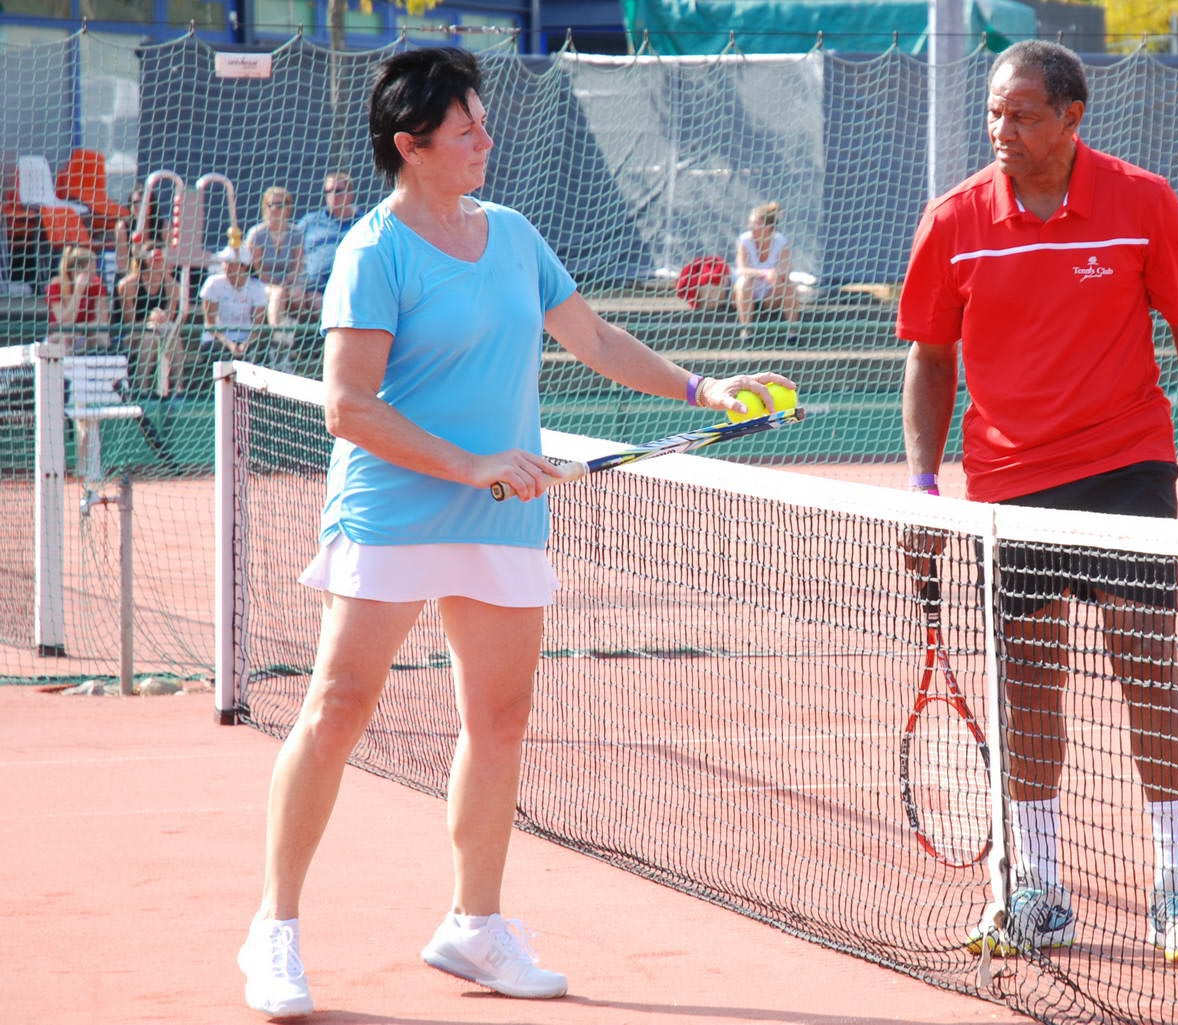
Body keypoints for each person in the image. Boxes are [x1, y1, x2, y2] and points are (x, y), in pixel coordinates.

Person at [235, 47, 794, 1019]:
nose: (485, 141)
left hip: (503, 514)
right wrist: (471, 464)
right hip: (397, 508)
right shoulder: (373, 252)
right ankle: (273, 929)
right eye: (466, 131)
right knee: (337, 708)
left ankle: (475, 924)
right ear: (412, 146)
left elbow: (596, 339)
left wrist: (706, 388)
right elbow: (348, 407)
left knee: (498, 719)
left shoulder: (514, 235)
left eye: (484, 124)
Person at [898, 40, 1178, 966]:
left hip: (1124, 464)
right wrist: (922, 486)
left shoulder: (1142, 202)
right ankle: (1036, 885)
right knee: (1030, 685)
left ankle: (1177, 884)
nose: (1002, 129)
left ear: (1072, 117)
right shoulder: (953, 219)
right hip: (1008, 485)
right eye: (995, 112)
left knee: (1146, 664)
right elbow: (931, 358)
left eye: (1023, 114)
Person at [116, 244, 184, 397]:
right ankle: (142, 388)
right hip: (134, 333)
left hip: (161, 330)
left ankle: (178, 387)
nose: (158, 263)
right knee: (150, 338)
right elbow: (129, 321)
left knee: (173, 336)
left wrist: (160, 318)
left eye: (160, 260)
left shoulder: (172, 286)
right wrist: (150, 320)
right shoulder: (129, 285)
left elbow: (170, 316)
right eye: (154, 260)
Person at [248, 185, 307, 357]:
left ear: (288, 208)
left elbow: (297, 266)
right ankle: (278, 339)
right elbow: (255, 269)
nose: (274, 209)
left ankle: (301, 344)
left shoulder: (296, 233)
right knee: (278, 294)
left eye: (279, 205)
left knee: (298, 297)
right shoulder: (257, 234)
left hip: (288, 282)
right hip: (261, 283)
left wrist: (288, 282)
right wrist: (276, 284)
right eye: (270, 205)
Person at [732, 201, 800, 342]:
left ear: (768, 227)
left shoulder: (781, 242)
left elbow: (786, 269)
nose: (750, 227)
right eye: (750, 223)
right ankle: (746, 330)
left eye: (755, 224)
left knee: (790, 286)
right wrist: (765, 273)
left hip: (771, 295)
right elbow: (741, 268)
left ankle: (792, 333)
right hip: (749, 293)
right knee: (743, 283)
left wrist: (776, 275)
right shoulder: (744, 240)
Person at [199, 240, 269, 362]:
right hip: (218, 340)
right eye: (226, 263)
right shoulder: (213, 284)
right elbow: (210, 324)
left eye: (232, 263)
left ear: (244, 266)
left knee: (258, 353)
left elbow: (258, 325)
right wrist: (229, 344)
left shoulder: (257, 286)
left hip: (246, 340)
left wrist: (245, 344)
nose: (227, 267)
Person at [295, 169, 359, 297]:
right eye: (328, 191)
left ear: (350, 194)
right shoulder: (310, 221)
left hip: (353, 286)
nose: (333, 195)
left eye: (338, 191)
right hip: (315, 287)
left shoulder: (364, 223)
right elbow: (290, 245)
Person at [44, 245, 110, 352]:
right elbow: (64, 322)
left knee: (103, 337)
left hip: (86, 332)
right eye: (90, 272)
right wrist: (78, 292)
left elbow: (102, 321)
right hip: (60, 335)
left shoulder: (96, 283)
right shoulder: (55, 286)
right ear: (75, 272)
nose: (94, 276)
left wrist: (80, 329)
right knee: (66, 339)